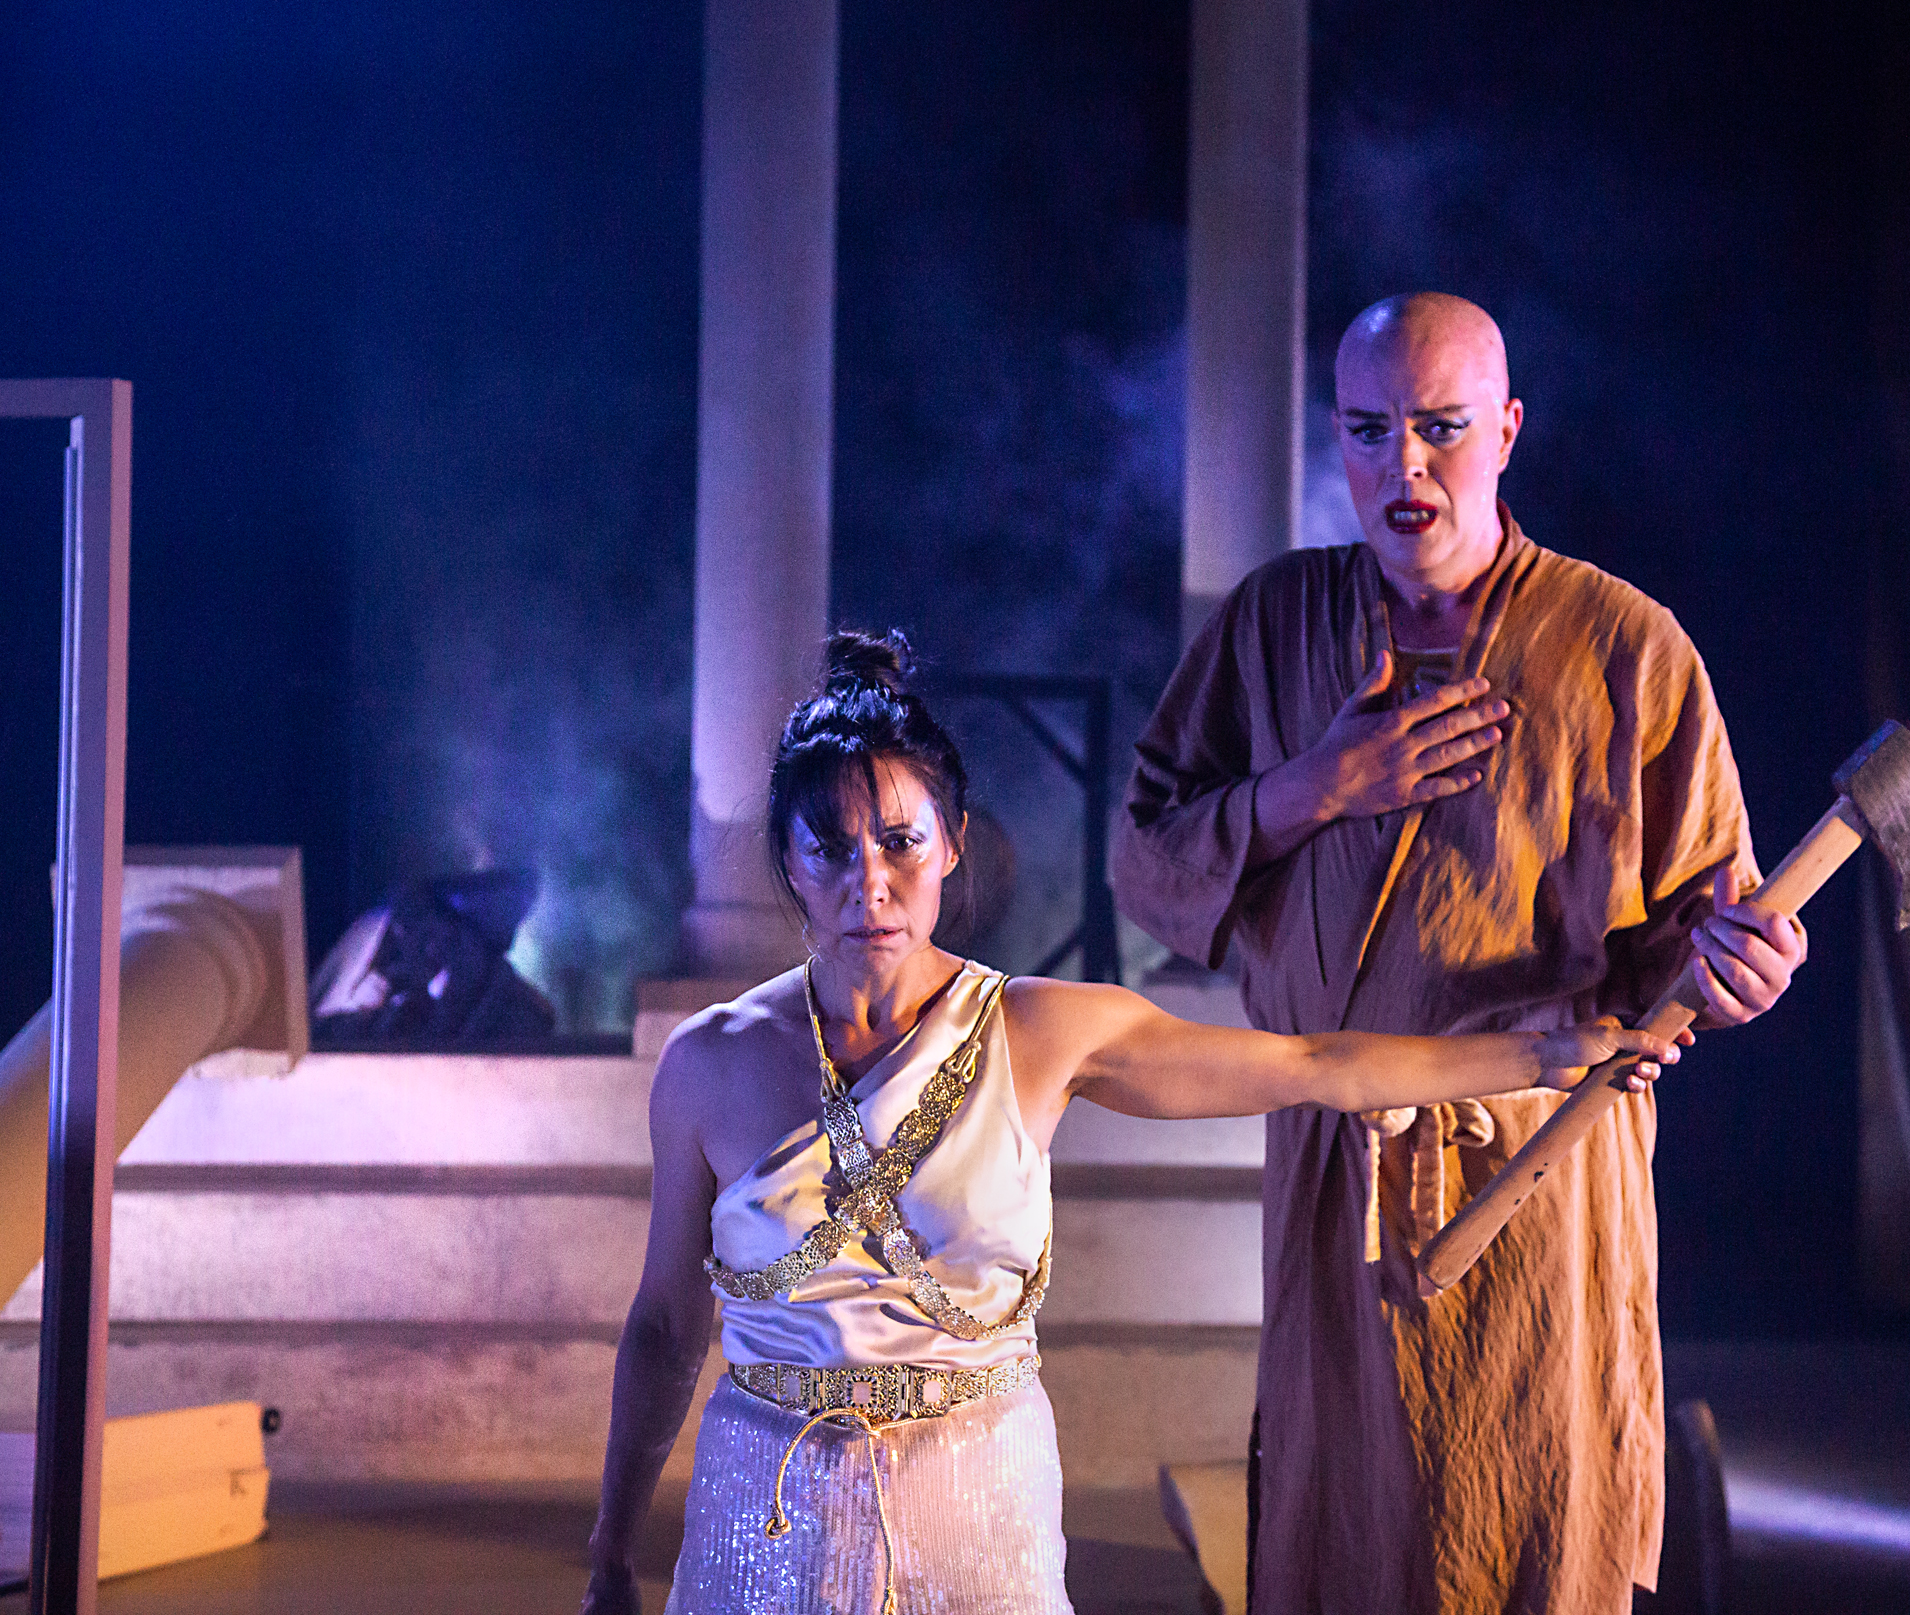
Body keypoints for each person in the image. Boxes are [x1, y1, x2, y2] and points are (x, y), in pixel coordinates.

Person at [579, 629, 1678, 1615]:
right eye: (831, 847)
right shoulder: (708, 1063)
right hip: (765, 1517)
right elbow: (666, 1326)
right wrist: (610, 1553)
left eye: (901, 841)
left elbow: (1314, 1064)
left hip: (975, 1508)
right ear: (788, 861)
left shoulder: (1038, 1030)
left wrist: (1541, 1056)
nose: (870, 880)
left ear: (952, 845)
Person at [1111, 292, 1807, 1613]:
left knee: (1524, 1516)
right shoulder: (1275, 624)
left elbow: (1697, 940)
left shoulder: (1624, 645)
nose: (1406, 468)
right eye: (1369, 430)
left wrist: (1737, 973)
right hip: (1338, 1166)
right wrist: (1310, 788)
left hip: (1538, 1171)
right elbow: (1146, 860)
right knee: (1345, 1531)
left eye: (1439, 427)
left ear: (1507, 430)